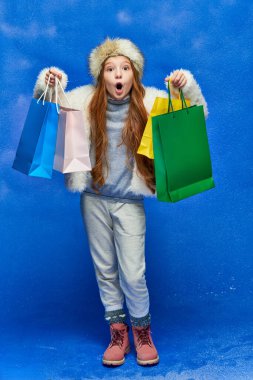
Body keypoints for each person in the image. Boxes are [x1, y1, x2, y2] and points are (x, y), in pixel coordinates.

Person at [33, 38, 208, 367]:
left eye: (124, 68)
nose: (118, 74)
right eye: (110, 68)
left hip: (129, 203)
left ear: (134, 74)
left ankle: (142, 331)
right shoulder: (84, 100)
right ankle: (118, 332)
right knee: (105, 271)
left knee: (132, 274)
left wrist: (185, 90)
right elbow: (53, 116)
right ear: (101, 75)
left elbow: (195, 117)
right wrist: (49, 84)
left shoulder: (152, 100)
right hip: (94, 200)